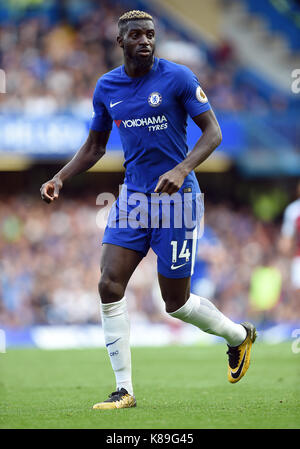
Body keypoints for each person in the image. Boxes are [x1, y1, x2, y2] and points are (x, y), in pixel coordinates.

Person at [40, 10, 257, 410]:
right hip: (134, 199)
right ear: (120, 42)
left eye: (150, 35)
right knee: (108, 284)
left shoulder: (178, 77)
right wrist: (60, 178)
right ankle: (125, 390)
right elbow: (95, 147)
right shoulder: (107, 86)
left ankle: (238, 336)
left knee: (175, 304)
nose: (145, 41)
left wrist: (182, 168)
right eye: (136, 35)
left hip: (178, 200)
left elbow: (214, 133)